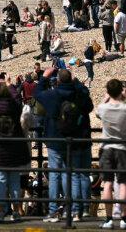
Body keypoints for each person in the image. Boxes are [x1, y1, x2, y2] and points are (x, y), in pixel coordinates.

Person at [33, 68, 93, 223]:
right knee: (71, 175)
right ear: (70, 79)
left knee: (55, 175)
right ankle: (73, 211)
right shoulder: (78, 94)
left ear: (58, 80)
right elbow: (88, 100)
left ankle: (53, 211)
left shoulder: (52, 95)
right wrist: (77, 82)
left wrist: (44, 77)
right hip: (72, 138)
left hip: (54, 139)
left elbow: (37, 93)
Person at [0, 76, 31, 222]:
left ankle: (1, 212)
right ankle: (16, 211)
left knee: (0, 181)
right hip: (15, 150)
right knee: (15, 181)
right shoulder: (15, 107)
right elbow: (17, 99)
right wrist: (10, 85)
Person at [97, 78, 126, 229]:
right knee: (123, 183)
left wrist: (106, 97)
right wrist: (125, 96)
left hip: (106, 147)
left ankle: (108, 219)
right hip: (123, 148)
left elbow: (98, 110)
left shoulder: (103, 108)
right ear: (121, 90)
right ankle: (124, 219)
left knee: (107, 183)